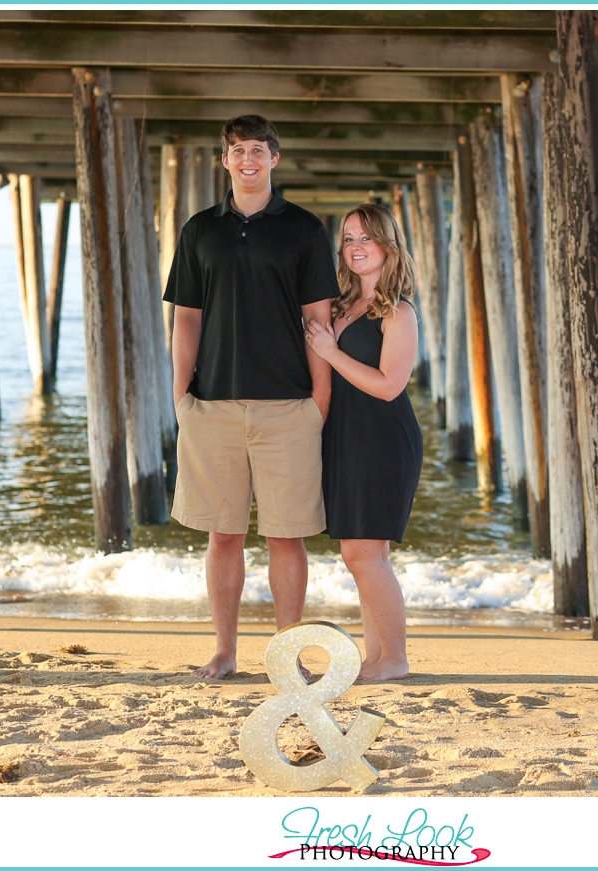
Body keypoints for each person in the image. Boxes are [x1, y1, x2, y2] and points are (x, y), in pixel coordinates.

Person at [164, 115, 337, 680]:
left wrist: (320, 398)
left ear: (274, 160)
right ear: (225, 160)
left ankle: (286, 658)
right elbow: (186, 317)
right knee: (224, 535)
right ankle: (225, 651)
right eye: (238, 151)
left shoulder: (305, 229)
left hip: (287, 405)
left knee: (287, 536)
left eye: (258, 150)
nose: (247, 160)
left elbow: (319, 320)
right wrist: (180, 394)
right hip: (212, 405)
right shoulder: (199, 231)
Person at [305, 204, 424, 681]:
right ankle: (376, 658)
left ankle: (395, 659)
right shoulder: (344, 305)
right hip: (347, 438)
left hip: (382, 438)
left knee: (362, 554)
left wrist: (331, 352)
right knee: (366, 556)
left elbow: (389, 385)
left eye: (365, 239)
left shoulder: (398, 311)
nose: (355, 247)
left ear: (388, 248)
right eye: (349, 238)